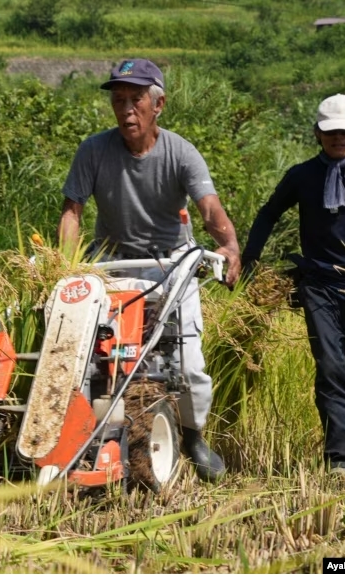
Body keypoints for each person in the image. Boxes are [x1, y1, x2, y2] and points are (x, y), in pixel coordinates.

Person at [58, 58, 241, 483]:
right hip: (112, 263)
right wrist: (64, 266)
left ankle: (193, 436)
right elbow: (72, 211)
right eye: (118, 100)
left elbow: (209, 208)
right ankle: (81, 435)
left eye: (135, 100)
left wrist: (229, 246)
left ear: (158, 105)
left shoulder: (180, 152)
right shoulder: (94, 150)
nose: (126, 110)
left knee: (188, 362)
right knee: (88, 356)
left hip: (172, 263)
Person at [241, 93, 345, 477]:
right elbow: (268, 214)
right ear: (317, 133)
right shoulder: (302, 176)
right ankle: (343, 461)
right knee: (331, 367)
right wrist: (250, 261)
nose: (338, 138)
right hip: (318, 284)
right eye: (330, 131)